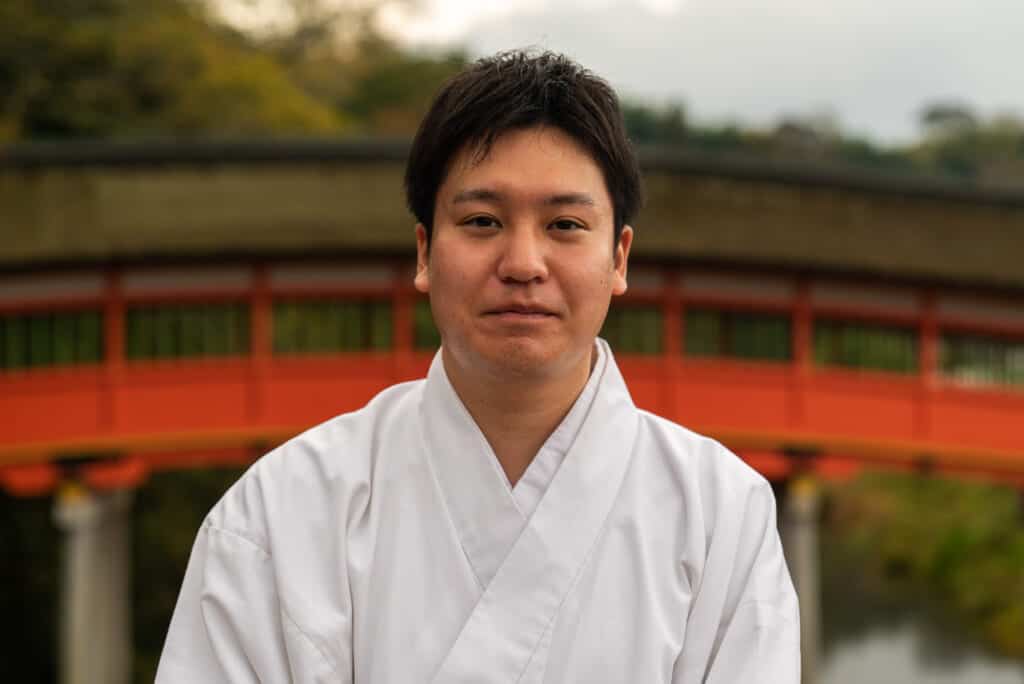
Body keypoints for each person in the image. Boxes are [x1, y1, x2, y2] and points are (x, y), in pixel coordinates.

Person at [156, 50, 800, 683]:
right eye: (483, 220)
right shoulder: (281, 513)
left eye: (566, 224)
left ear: (619, 258)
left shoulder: (720, 515)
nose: (523, 263)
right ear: (425, 252)